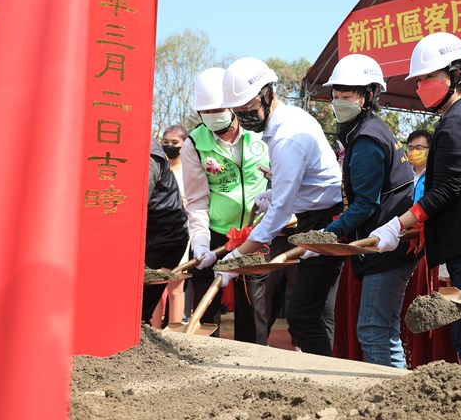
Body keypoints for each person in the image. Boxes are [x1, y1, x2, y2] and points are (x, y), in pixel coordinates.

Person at [371, 32, 461, 379]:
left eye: (427, 78)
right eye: (418, 80)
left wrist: (399, 224)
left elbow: (447, 189)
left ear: (455, 75)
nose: (421, 86)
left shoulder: (457, 121)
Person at [217, 57, 344, 357]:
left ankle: (323, 375)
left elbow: (280, 214)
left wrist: (238, 256)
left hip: (326, 220)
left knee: (303, 314)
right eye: (239, 111)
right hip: (317, 213)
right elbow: (302, 184)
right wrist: (273, 193)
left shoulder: (287, 137)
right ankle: (326, 372)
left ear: (268, 94)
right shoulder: (287, 123)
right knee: (316, 310)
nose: (245, 117)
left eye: (249, 108)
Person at [317, 54, 416, 368]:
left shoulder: (368, 140)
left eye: (346, 97)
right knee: (385, 331)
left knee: (373, 330)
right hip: (393, 246)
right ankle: (401, 394)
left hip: (385, 248)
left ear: (369, 96)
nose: (338, 102)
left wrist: (324, 236)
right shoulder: (372, 130)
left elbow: (365, 204)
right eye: (335, 96)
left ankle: (387, 401)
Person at [180, 67, 272, 344]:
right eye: (205, 111)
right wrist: (200, 243)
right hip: (215, 234)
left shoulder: (260, 132)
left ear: (233, 105)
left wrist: (274, 194)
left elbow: (283, 175)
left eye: (218, 108)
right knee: (206, 310)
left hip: (255, 235)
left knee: (253, 306)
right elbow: (196, 200)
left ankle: (254, 365)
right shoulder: (194, 144)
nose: (212, 115)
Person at [142, 138, 189, 325]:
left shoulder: (150, 157)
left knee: (140, 301)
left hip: (164, 238)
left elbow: (139, 204)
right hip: (156, 235)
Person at [406, 129, 431, 203]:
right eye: (410, 148)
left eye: (418, 148)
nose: (414, 151)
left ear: (430, 149)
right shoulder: (402, 174)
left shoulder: (434, 175)